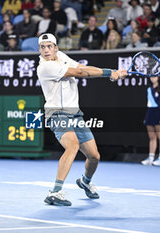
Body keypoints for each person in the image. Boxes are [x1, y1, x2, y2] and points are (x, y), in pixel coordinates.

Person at [36, 33, 127, 206]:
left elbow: (82, 66)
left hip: (75, 113)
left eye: (49, 46)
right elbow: (79, 72)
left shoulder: (61, 57)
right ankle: (55, 192)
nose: (46, 50)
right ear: (39, 50)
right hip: (57, 113)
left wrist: (113, 72)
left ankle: (85, 181)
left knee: (94, 156)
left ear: (56, 48)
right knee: (73, 145)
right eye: (42, 47)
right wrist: (110, 73)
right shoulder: (45, 67)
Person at [141, 75, 160, 167]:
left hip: (159, 113)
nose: (152, 78)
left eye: (154, 76)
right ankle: (151, 158)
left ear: (158, 78)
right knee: (152, 137)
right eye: (151, 77)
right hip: (150, 113)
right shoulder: (149, 89)